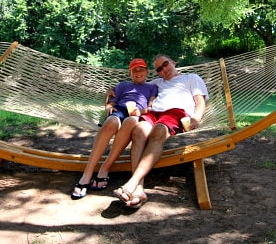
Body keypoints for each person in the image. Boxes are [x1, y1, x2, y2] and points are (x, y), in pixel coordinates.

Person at [112, 54, 209, 208]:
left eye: (165, 64)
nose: (163, 69)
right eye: (159, 69)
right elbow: (136, 85)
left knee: (158, 132)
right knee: (138, 131)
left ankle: (132, 183)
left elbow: (200, 101)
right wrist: (113, 92)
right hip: (153, 113)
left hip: (176, 113)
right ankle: (138, 189)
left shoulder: (191, 77)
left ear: (173, 62)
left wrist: (196, 118)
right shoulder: (156, 83)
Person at [71, 58, 158, 199]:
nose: (138, 72)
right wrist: (108, 107)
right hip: (120, 110)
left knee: (131, 121)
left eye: (141, 69)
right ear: (130, 73)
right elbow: (111, 102)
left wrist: (140, 112)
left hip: (137, 113)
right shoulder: (123, 85)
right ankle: (87, 174)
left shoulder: (152, 87)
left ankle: (105, 168)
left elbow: (151, 106)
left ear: (147, 71)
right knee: (111, 121)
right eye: (134, 70)